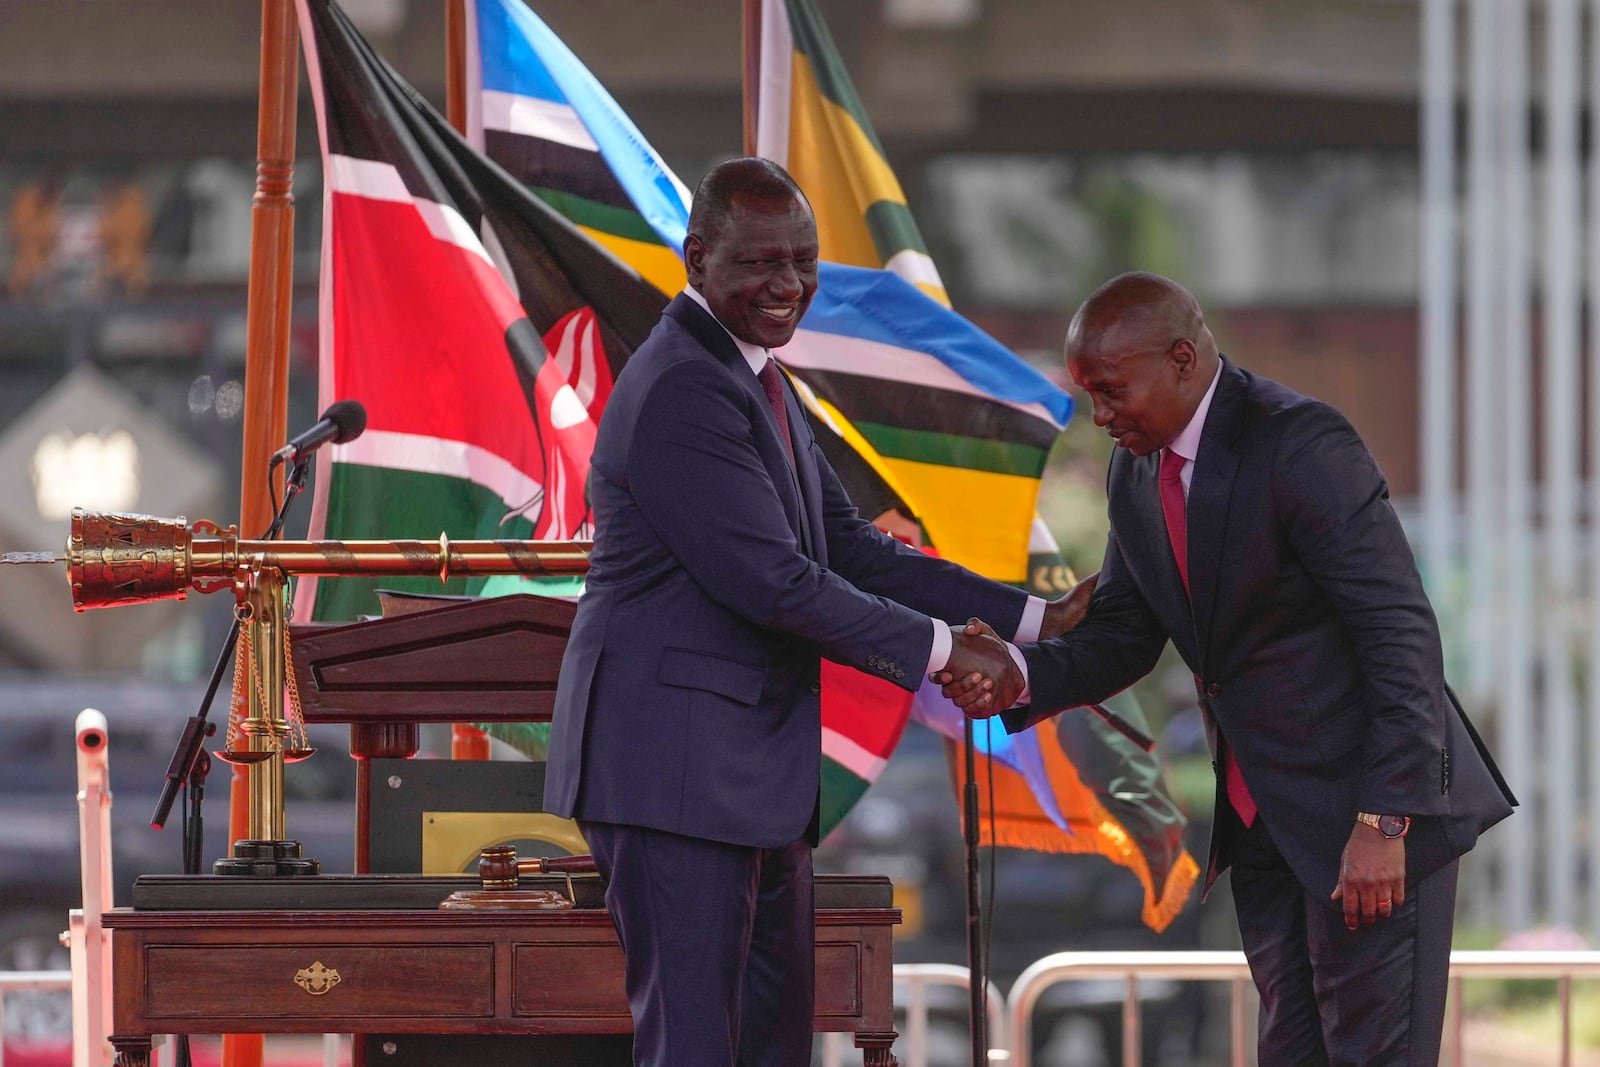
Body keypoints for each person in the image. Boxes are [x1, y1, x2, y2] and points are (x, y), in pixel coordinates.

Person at [544, 157, 1089, 1067]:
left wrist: (1034, 619)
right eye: (760, 263)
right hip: (675, 776)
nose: (787, 285)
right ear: (697, 257)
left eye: (803, 260)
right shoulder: (684, 384)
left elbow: (853, 547)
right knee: (694, 1049)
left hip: (747, 781)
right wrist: (945, 648)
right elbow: (776, 583)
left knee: (772, 1047)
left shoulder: (757, 374)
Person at [939, 272, 1515, 1066]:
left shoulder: (1300, 442)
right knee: (1290, 1050)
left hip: (1366, 816)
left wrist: (1388, 819)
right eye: (1088, 395)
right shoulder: (1135, 470)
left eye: (1112, 390)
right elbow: (1124, 637)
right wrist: (1019, 674)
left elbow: (1399, 632)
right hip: (1262, 821)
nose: (1100, 416)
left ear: (1182, 357)